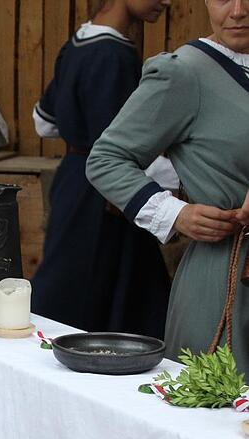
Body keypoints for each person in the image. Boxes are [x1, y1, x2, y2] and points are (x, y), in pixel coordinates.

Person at [87, 0, 249, 369]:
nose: (237, 11)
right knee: (218, 416)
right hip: (229, 278)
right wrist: (176, 213)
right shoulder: (185, 73)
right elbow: (107, 159)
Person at [29, 0, 173, 339]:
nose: (166, 2)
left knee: (81, 287)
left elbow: (44, 122)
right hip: (106, 194)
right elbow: (120, 149)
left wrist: (78, 130)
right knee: (96, 299)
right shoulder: (113, 56)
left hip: (73, 183)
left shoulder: (79, 42)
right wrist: (187, 178)